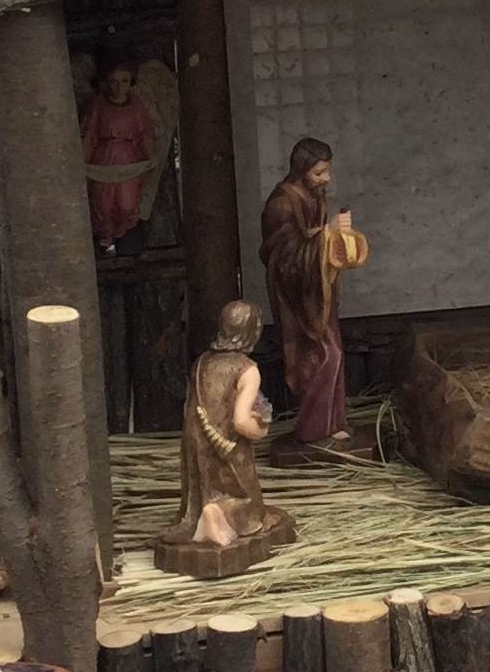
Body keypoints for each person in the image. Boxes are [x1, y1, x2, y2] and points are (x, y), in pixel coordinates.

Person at [259, 137, 371, 448]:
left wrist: (334, 235)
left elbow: (314, 240)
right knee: (320, 355)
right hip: (296, 295)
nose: (326, 179)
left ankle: (332, 423)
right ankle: (313, 429)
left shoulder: (314, 197)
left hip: (319, 288)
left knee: (334, 352)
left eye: (327, 171)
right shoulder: (281, 203)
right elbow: (283, 254)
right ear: (301, 170)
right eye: (319, 173)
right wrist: (325, 235)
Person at [173, 299, 290, 562]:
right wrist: (260, 430)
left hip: (197, 441)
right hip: (230, 446)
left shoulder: (202, 362)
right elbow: (240, 421)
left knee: (204, 485)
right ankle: (221, 515)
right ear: (253, 331)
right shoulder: (247, 369)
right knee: (247, 498)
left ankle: (204, 512)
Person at [80, 55, 156, 248]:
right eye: (113, 81)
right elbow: (90, 134)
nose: (119, 87)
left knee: (126, 203)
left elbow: (145, 134)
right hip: (103, 159)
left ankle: (121, 231)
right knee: (103, 204)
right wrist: (83, 161)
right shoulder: (98, 104)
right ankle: (105, 235)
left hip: (128, 161)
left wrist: (150, 155)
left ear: (131, 82)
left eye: (124, 81)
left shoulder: (136, 105)